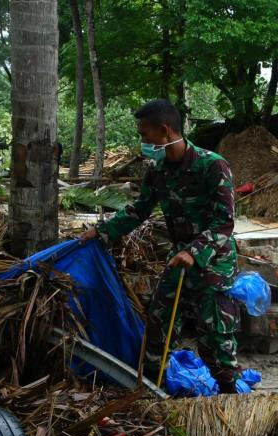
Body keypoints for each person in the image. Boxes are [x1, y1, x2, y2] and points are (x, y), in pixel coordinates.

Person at [82, 98, 242, 393]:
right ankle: (151, 390)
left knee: (215, 337)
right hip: (178, 260)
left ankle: (231, 396)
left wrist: (193, 251)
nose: (141, 140)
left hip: (213, 263)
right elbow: (139, 210)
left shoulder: (212, 166)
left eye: (144, 134)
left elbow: (225, 222)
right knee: (159, 325)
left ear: (165, 131)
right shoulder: (158, 171)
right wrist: (102, 232)